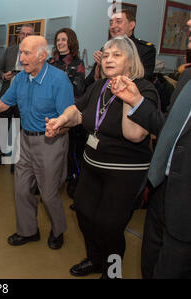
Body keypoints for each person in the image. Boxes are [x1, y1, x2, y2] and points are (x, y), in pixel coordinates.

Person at [45, 36, 159, 278]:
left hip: (124, 173)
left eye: (116, 55)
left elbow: (135, 134)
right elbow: (77, 111)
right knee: (84, 213)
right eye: (105, 55)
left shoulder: (144, 89)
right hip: (92, 166)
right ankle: (95, 259)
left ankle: (113, 271)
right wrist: (60, 120)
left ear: (131, 60)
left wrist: (129, 98)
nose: (108, 59)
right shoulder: (100, 86)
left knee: (109, 226)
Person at [0, 36, 74, 250]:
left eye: (27, 53)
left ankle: (58, 230)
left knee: (48, 195)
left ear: (43, 56)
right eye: (21, 52)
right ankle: (28, 231)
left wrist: (58, 127)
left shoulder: (59, 80)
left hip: (51, 142)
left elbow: (70, 117)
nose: (21, 58)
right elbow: (3, 105)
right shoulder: (20, 79)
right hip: (25, 140)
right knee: (21, 190)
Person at [122, 19, 191, 279]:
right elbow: (168, 127)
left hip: (186, 206)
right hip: (163, 190)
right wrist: (136, 101)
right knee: (150, 262)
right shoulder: (187, 76)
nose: (188, 21)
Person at [47, 28, 86, 206]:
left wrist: (62, 80)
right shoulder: (49, 62)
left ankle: (73, 183)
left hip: (68, 113)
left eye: (64, 39)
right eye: (58, 39)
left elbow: (79, 90)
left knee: (70, 153)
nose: (60, 42)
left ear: (71, 42)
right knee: (49, 153)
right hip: (49, 112)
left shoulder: (77, 63)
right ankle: (47, 184)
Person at [0, 24, 34, 169]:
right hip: (8, 95)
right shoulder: (11, 50)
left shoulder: (36, 53)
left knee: (20, 131)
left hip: (25, 98)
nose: (25, 37)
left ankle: (16, 162)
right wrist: (4, 76)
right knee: (2, 127)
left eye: (28, 34)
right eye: (23, 34)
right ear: (19, 36)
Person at [85, 9, 156, 88]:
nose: (113, 26)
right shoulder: (106, 49)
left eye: (118, 22)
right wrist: (98, 70)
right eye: (111, 23)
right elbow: (88, 84)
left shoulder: (145, 49)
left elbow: (142, 80)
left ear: (131, 25)